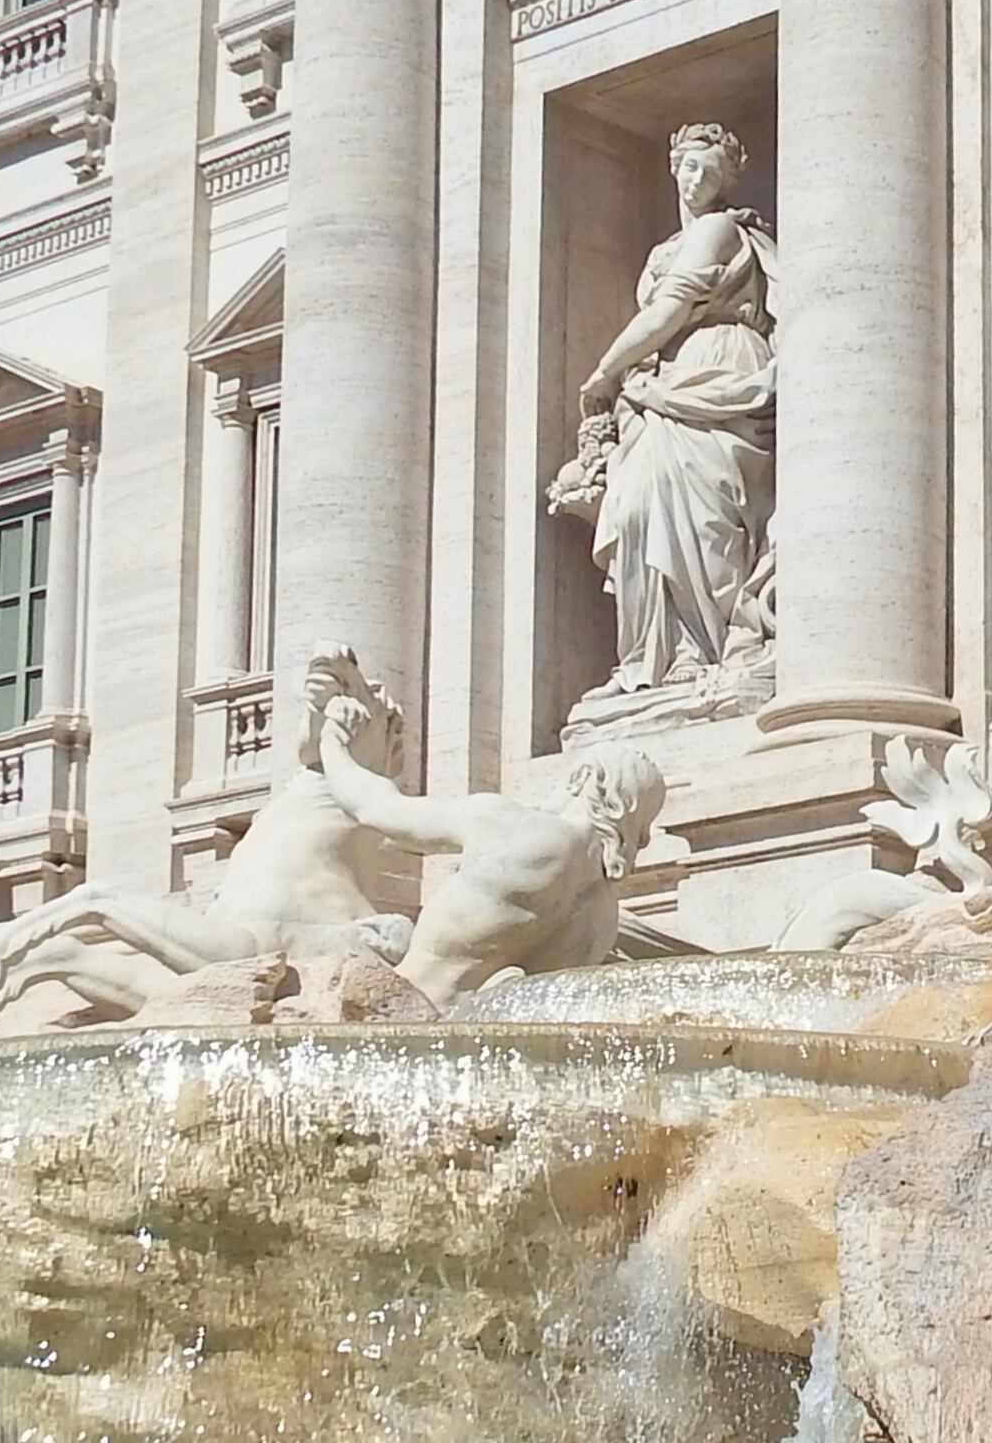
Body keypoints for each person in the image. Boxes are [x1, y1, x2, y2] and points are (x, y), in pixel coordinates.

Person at [553, 122, 777, 722]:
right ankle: (655, 659)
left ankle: (716, 644)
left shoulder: (719, 228)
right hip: (663, 383)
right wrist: (628, 390)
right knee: (635, 508)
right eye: (687, 166)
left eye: (709, 169)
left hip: (718, 365)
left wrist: (604, 371)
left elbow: (673, 307)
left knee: (708, 512)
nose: (695, 177)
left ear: (728, 178)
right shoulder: (658, 251)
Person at [299, 688, 665, 1005]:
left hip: (406, 1010)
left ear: (583, 778)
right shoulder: (602, 920)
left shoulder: (518, 827)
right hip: (475, 1051)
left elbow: (376, 808)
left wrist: (333, 744)